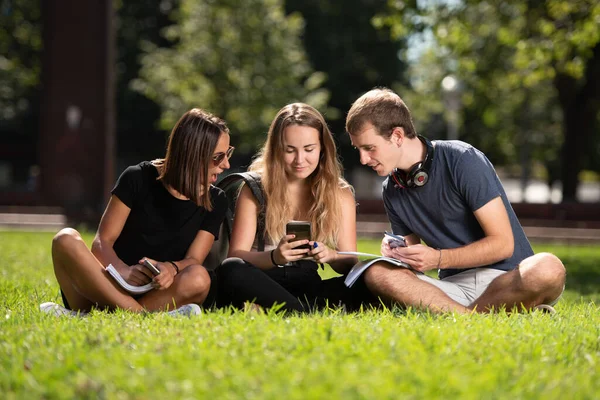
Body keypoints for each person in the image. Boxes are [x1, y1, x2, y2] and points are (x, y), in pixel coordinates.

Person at [345, 88, 566, 314]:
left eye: (369, 148)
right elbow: (413, 266)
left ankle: (460, 313)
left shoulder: (461, 158)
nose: (363, 159)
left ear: (398, 136)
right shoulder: (391, 189)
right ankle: (479, 316)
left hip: (507, 279)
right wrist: (397, 254)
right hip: (452, 287)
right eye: (359, 150)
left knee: (548, 268)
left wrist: (439, 259)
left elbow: (503, 244)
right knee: (376, 272)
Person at [41, 108, 233, 317]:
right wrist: (124, 271)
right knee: (65, 239)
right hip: (108, 284)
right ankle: (138, 315)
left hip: (160, 293)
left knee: (199, 277)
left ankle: (104, 316)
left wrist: (172, 268)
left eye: (228, 153)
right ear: (192, 154)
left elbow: (194, 259)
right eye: (218, 157)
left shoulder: (217, 200)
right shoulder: (137, 178)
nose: (226, 164)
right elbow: (102, 242)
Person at [217, 103, 365, 312]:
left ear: (322, 148)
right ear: (277, 150)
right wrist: (275, 257)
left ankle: (291, 309)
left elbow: (350, 263)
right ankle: (305, 312)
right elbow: (236, 256)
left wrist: (330, 256)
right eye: (290, 150)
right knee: (231, 270)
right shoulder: (255, 188)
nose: (300, 160)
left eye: (309, 149)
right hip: (264, 283)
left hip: (309, 284)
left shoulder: (340, 193)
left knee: (370, 279)